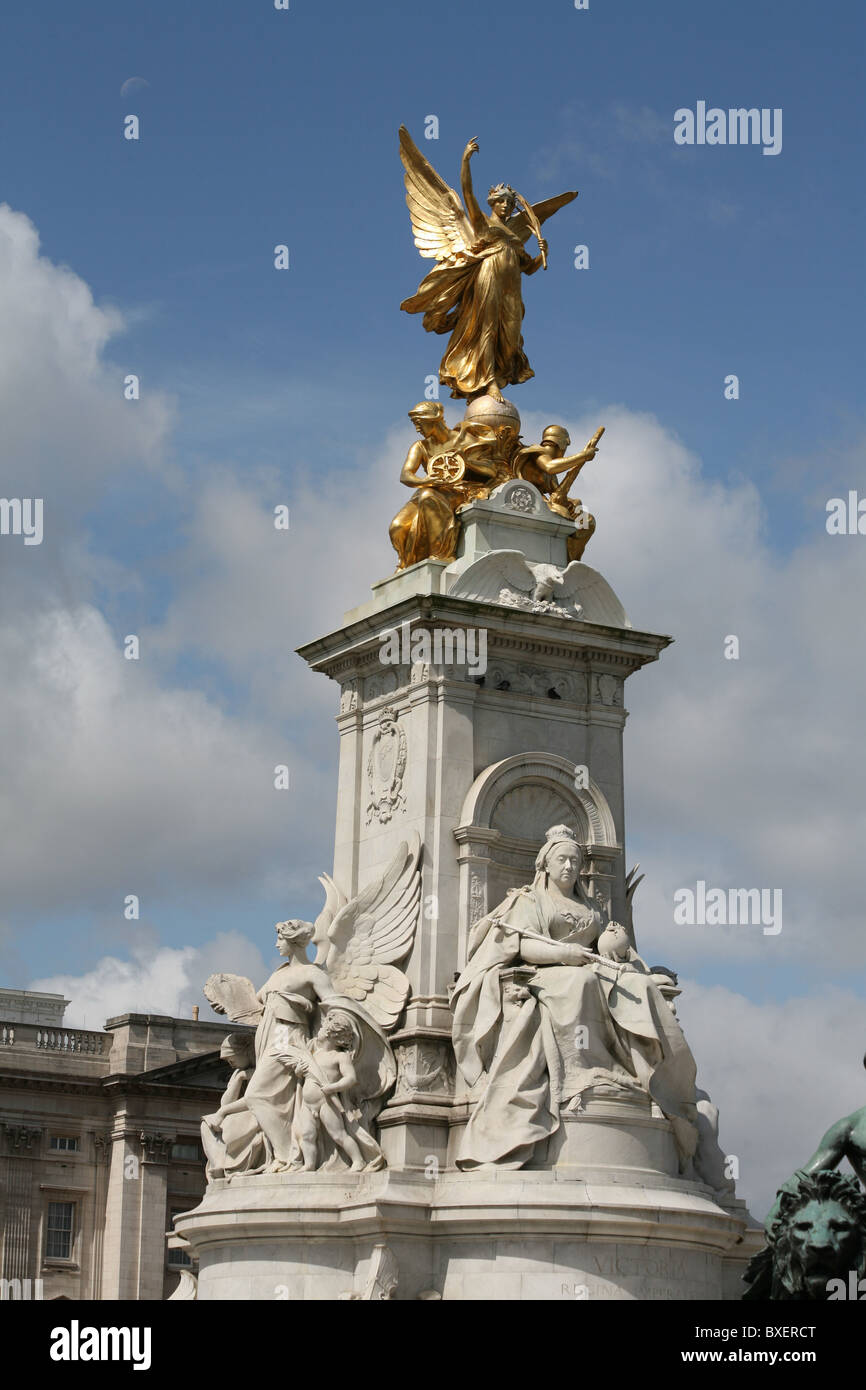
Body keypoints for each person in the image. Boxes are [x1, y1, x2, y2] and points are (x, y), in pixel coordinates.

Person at [451, 826, 698, 1169]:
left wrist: (617, 947)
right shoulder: (530, 900)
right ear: (546, 865)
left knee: (640, 989)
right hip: (545, 972)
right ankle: (583, 1071)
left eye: (574, 860)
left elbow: (603, 947)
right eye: (561, 860)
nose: (568, 866)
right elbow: (521, 944)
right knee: (580, 983)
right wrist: (563, 955)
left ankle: (647, 1075)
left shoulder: (591, 906)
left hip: (588, 967)